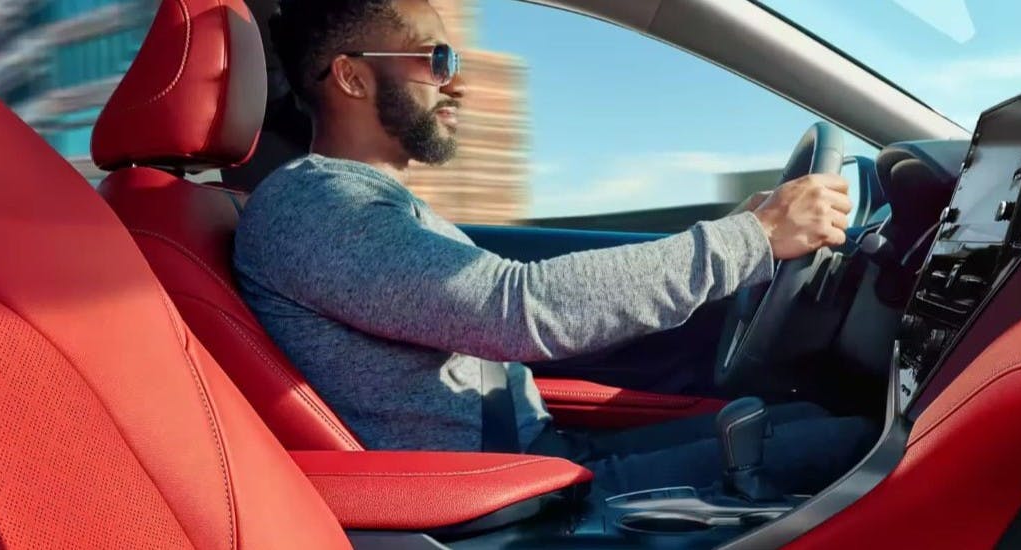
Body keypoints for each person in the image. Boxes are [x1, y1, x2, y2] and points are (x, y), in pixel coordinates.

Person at [236, 0, 877, 498]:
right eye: (436, 60)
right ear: (351, 76)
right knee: (857, 447)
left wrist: (740, 235)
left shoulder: (370, 204)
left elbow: (518, 306)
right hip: (492, 497)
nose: (455, 82)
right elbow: (516, 310)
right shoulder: (316, 204)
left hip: (529, 462)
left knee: (814, 423)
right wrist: (755, 237)